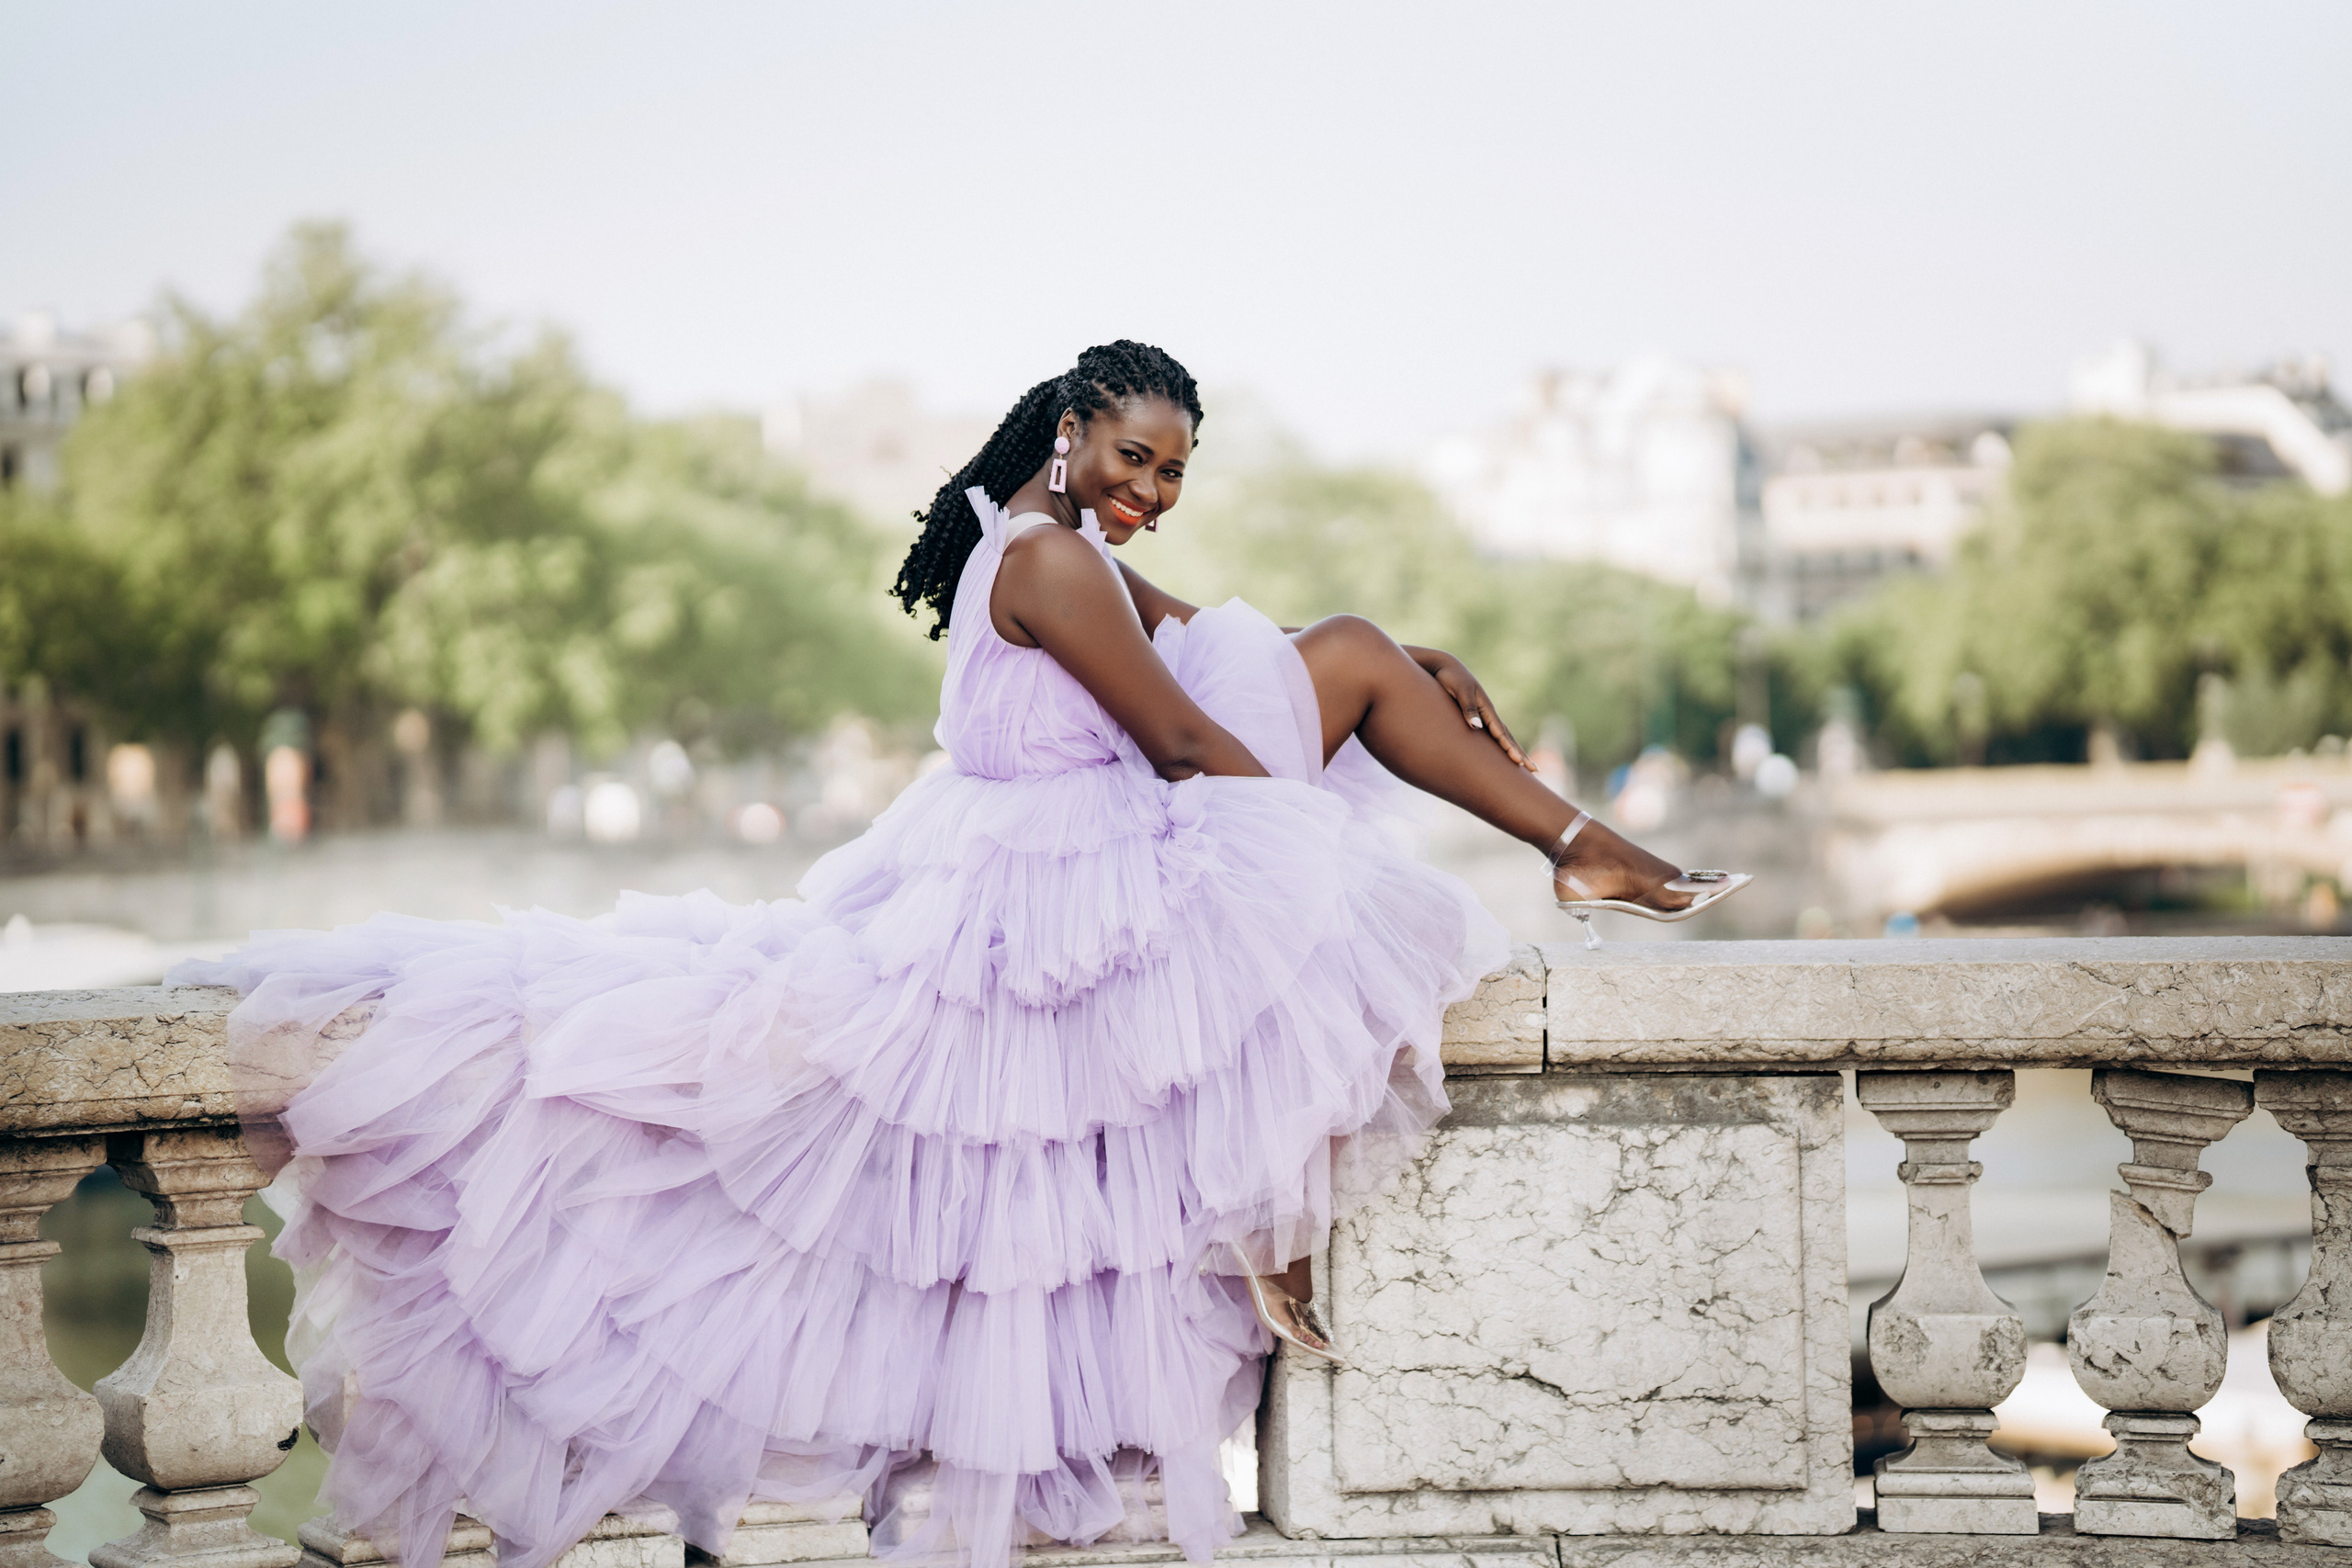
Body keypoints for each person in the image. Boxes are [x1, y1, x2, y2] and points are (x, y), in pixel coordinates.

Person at [172, 341, 1746, 1568]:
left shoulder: (1045, 535)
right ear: (1073, 431)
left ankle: (1568, 853)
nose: (1157, 490)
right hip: (1063, 858)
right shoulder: (1051, 560)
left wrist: (1401, 669)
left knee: (1341, 652)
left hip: (1016, 857)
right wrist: (1313, 834)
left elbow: (1204, 636)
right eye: (1139, 458)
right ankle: (1564, 859)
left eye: (1179, 470)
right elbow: (1188, 731)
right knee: (1326, 718)